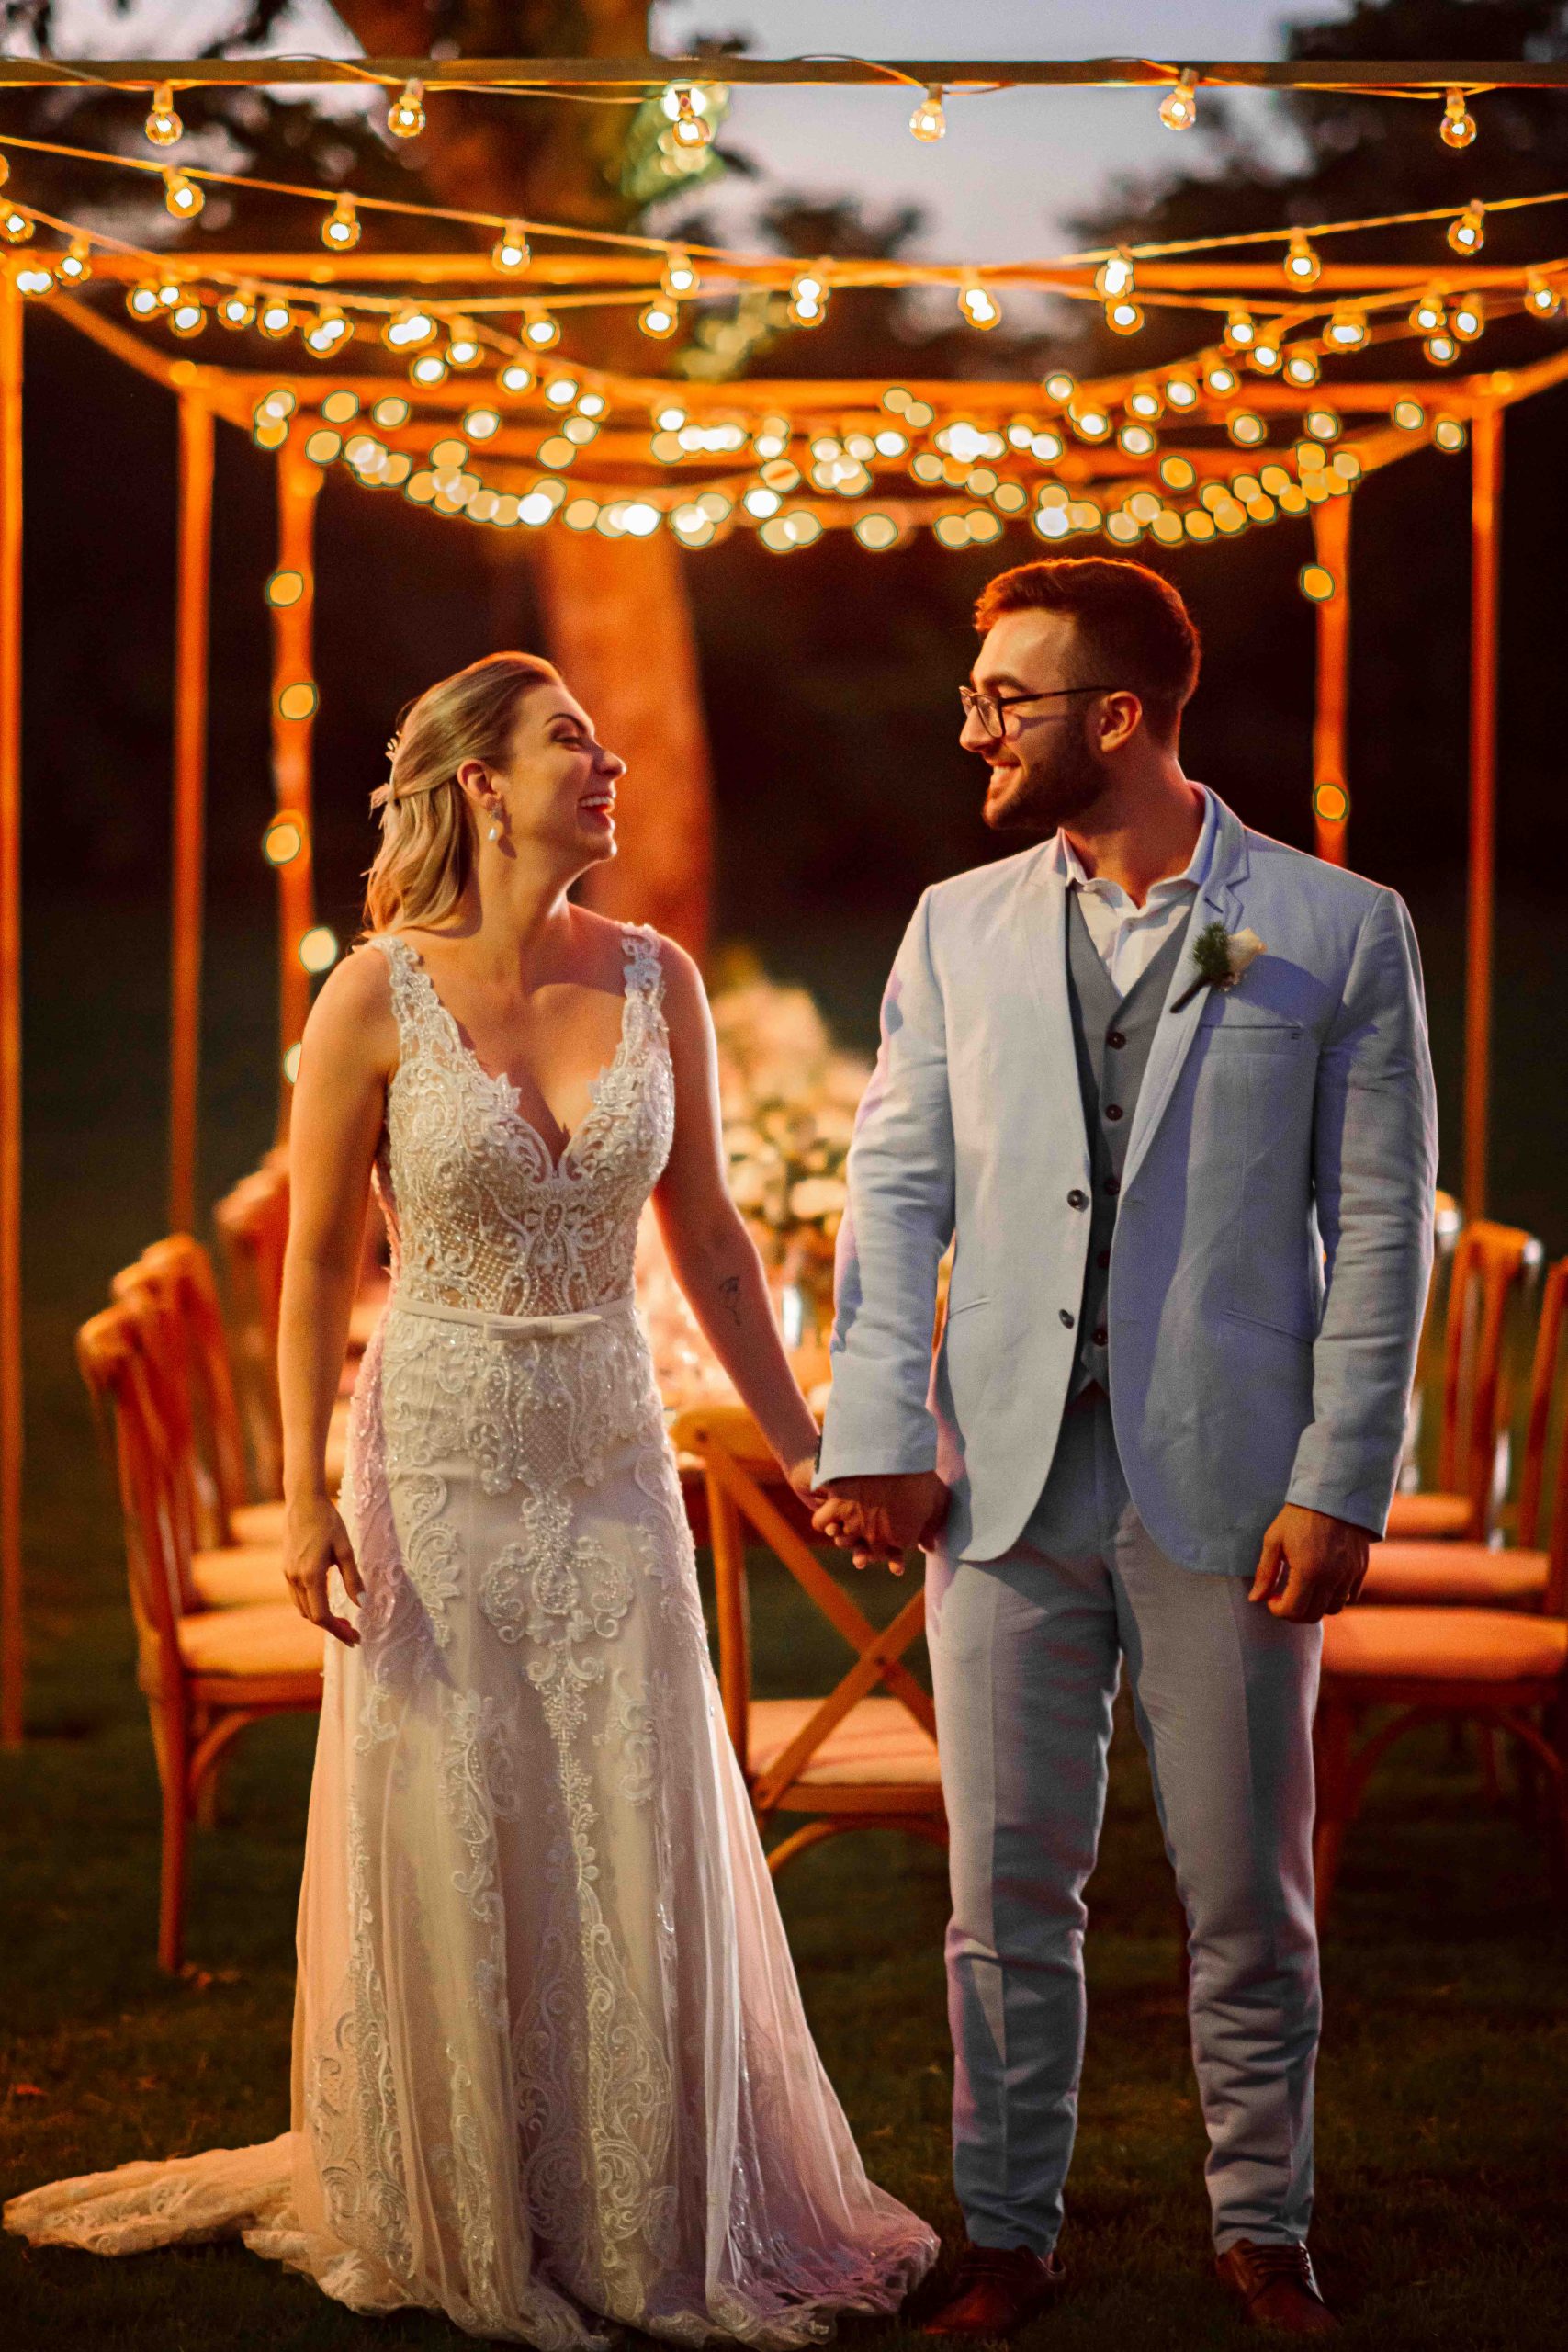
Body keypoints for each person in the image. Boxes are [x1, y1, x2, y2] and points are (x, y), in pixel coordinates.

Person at [6, 652, 936, 2344]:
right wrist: (306, 1496)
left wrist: (808, 1450)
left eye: (606, 742)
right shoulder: (373, 993)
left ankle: (638, 2199)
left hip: (609, 1456)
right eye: (571, 741)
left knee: (629, 1803)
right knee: (458, 1809)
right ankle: (462, 2190)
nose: (609, 765)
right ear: (483, 785)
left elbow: (712, 1242)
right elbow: (312, 1272)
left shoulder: (657, 980)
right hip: (433, 1455)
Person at [813, 560, 1437, 2338]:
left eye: (1001, 699)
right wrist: (879, 1430)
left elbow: (1380, 1225)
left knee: (1246, 1892)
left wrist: (1338, 1478)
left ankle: (1264, 2231)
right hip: (1000, 1484)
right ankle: (1007, 2235)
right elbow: (894, 1189)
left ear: (1117, 715)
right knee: (1002, 1896)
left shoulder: (1332, 926)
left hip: (1229, 1486)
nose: (971, 728)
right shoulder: (954, 926)